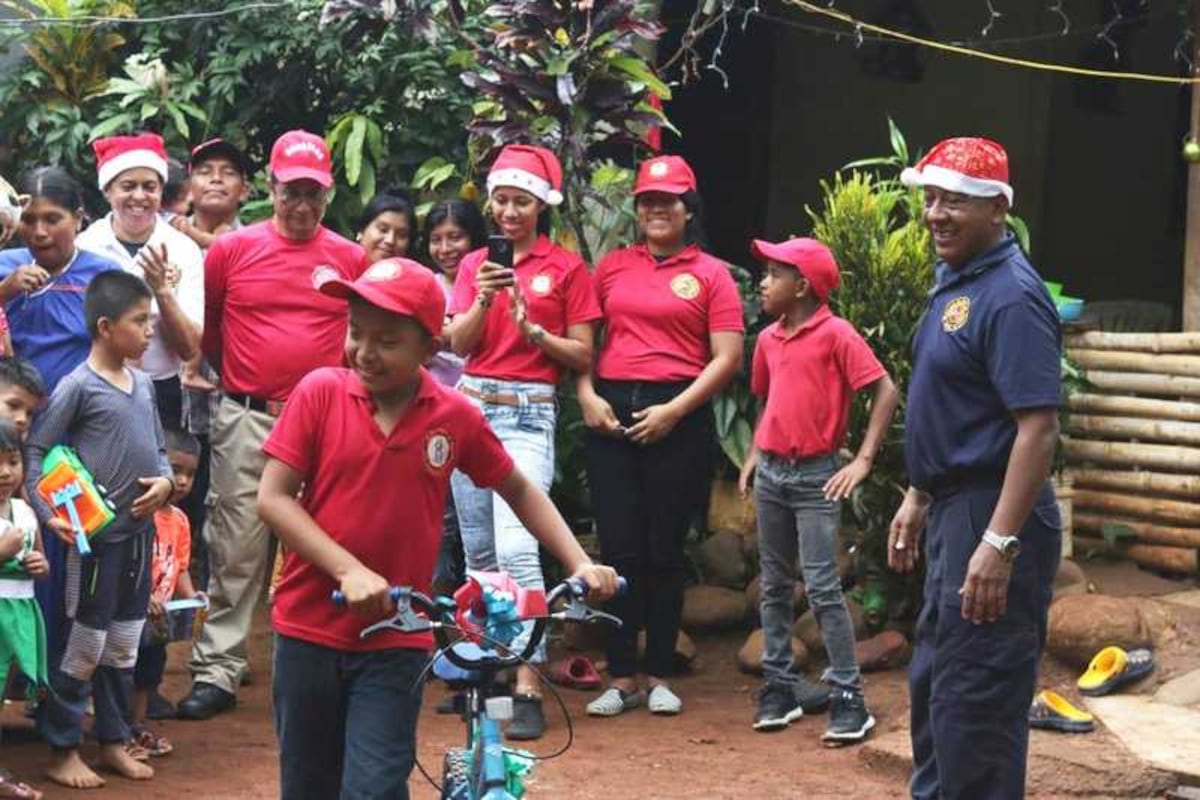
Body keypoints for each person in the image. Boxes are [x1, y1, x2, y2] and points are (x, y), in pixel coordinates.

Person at [259, 257, 617, 799]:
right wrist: (348, 570)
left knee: (375, 787)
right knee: (308, 785)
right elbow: (274, 497)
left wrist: (579, 562)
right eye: (356, 333)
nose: (365, 351)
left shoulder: (453, 416)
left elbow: (518, 488)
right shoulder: (320, 392)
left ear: (430, 348)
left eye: (387, 340)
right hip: (308, 627)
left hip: (398, 635)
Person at [891, 137, 1062, 799]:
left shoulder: (1011, 297)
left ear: (998, 210)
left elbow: (1037, 429)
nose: (936, 213)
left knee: (977, 702)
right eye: (931, 198)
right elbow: (955, 405)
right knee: (938, 687)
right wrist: (918, 492)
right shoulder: (959, 282)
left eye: (955, 201)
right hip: (953, 507)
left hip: (994, 512)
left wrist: (999, 540)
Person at [178, 129, 368, 721]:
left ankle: (325, 663)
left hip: (326, 422)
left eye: (313, 193)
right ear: (272, 188)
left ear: (327, 194)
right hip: (247, 415)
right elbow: (210, 331)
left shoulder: (349, 257)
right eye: (291, 192)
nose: (302, 205)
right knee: (235, 541)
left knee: (324, 541)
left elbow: (360, 339)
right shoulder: (231, 251)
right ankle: (218, 668)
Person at [577, 155, 743, 718]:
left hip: (680, 409)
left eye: (668, 200)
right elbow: (583, 341)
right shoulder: (613, 267)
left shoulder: (713, 274)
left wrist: (674, 410)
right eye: (647, 200)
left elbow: (727, 359)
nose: (656, 209)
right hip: (612, 409)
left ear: (688, 208)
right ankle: (621, 675)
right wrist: (586, 393)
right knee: (619, 548)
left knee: (664, 549)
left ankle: (660, 674)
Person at [447, 144, 602, 740]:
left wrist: (533, 327)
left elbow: (583, 353)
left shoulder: (565, 268)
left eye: (521, 201)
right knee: (480, 555)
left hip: (528, 413)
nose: (509, 212)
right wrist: (485, 295)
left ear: (542, 205)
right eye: (501, 200)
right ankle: (489, 682)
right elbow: (460, 345)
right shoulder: (473, 265)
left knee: (518, 550)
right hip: (470, 407)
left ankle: (528, 682)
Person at [738, 237, 899, 743]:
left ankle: (850, 696)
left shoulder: (837, 334)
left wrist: (864, 460)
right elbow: (769, 402)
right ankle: (781, 686)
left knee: (824, 587)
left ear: (802, 285)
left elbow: (885, 389)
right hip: (773, 474)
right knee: (774, 584)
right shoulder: (767, 339)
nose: (763, 283)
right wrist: (752, 456)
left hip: (815, 476)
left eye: (773, 274)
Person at [26, 270, 174, 789]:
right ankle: (63, 746)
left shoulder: (145, 385)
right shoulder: (77, 386)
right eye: (141, 322)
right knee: (84, 644)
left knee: (123, 644)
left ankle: (111, 740)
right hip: (92, 546)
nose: (150, 331)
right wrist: (49, 517)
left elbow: (158, 451)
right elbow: (37, 451)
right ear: (107, 327)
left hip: (138, 540)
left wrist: (167, 483)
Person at [76, 133, 205, 433]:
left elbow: (189, 348)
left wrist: (162, 292)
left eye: (150, 187)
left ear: (161, 191)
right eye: (127, 186)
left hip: (163, 391)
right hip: (97, 386)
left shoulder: (182, 248)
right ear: (107, 190)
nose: (139, 197)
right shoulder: (86, 247)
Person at [171, 138, 253, 599]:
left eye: (229, 172)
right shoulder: (164, 239)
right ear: (190, 183)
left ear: (244, 189)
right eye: (206, 171)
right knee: (177, 496)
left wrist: (189, 234)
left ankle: (219, 611)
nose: (217, 178)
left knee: (225, 508)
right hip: (174, 395)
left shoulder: (255, 243)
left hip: (231, 393)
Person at [0, 167, 124, 393]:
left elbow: (123, 352)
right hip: (10, 418)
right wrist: (4, 292)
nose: (39, 232)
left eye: (52, 219)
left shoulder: (104, 275)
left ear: (77, 219)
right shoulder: (4, 266)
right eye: (27, 220)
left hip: (81, 414)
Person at [423, 199, 486, 596]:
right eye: (435, 239)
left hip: (482, 413)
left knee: (478, 523)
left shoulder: (488, 278)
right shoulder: (427, 284)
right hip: (432, 415)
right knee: (439, 517)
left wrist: (444, 330)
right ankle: (438, 615)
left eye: (455, 237)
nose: (445, 248)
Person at [129, 429, 202, 750]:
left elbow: (180, 565)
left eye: (190, 474)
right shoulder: (140, 512)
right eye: (176, 470)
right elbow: (128, 566)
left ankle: (136, 727)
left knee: (149, 669)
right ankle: (116, 727)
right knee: (122, 667)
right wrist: (142, 597)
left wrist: (191, 595)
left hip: (159, 614)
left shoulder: (181, 520)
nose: (183, 481)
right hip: (131, 608)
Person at [0, 416, 50, 800]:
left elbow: (41, 559)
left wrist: (39, 564)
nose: (5, 472)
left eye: (13, 461)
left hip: (19, 614)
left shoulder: (26, 511)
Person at [357, 188, 416, 264]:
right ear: (362, 230)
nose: (390, 240)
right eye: (383, 230)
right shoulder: (339, 269)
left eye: (401, 235)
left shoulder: (417, 275)